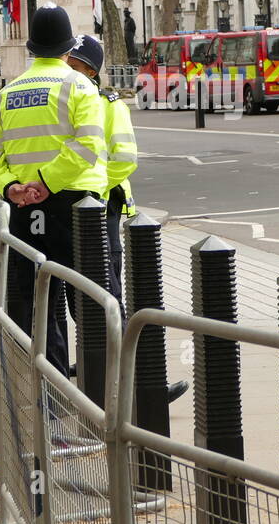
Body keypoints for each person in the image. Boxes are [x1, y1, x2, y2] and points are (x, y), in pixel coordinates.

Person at [0, 3, 107, 376]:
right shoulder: (79, 85)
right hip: (76, 204)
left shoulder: (6, 94)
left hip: (24, 208)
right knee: (90, 300)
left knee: (40, 302)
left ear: (30, 49)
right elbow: (88, 146)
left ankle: (50, 392)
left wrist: (13, 187)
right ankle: (96, 389)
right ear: (69, 49)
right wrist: (48, 182)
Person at [65, 34, 188, 403]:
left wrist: (91, 192)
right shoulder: (63, 97)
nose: (66, 68)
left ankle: (138, 385)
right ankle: (95, 369)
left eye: (73, 63)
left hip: (101, 208)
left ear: (89, 68)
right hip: (73, 207)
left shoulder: (107, 103)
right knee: (79, 296)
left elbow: (123, 158)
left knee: (107, 296)